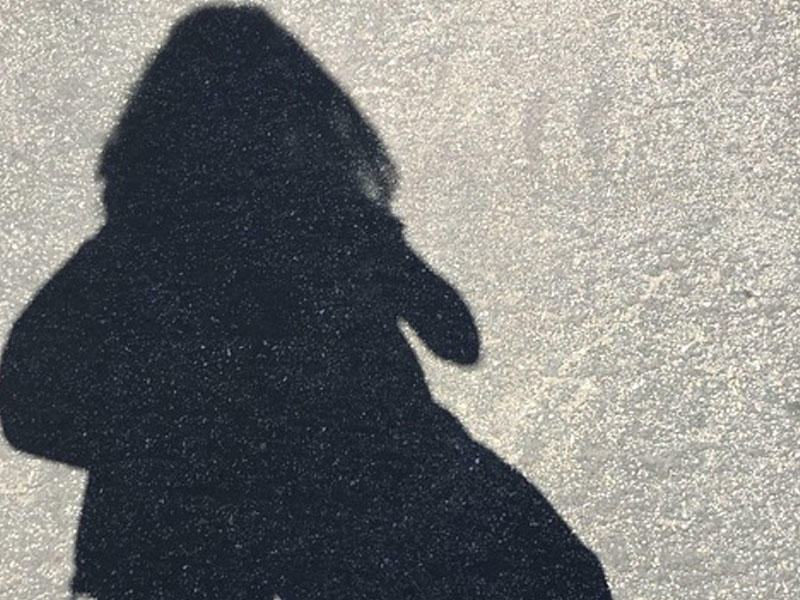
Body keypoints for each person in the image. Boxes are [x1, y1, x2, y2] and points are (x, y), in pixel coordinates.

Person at [0, 6, 611, 598]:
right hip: (366, 518)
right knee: (555, 575)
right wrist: (378, 252)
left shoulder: (136, 249)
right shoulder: (325, 224)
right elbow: (457, 336)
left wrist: (172, 450)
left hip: (192, 547)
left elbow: (25, 408)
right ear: (291, 112)